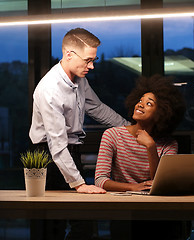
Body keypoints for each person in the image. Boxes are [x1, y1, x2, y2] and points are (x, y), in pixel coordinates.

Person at [29, 27, 129, 239]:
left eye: (94, 60)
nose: (91, 66)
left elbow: (96, 108)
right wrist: (80, 184)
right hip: (48, 156)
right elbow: (56, 145)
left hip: (72, 152)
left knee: (84, 224)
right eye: (87, 60)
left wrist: (129, 128)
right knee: (55, 227)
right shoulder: (50, 89)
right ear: (68, 54)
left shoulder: (80, 79)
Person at [95, 75, 190, 240]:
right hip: (124, 213)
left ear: (162, 112)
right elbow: (100, 180)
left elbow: (161, 183)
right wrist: (133, 187)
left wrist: (151, 147)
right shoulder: (112, 135)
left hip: (159, 212)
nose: (140, 104)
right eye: (140, 100)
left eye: (149, 103)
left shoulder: (169, 144)